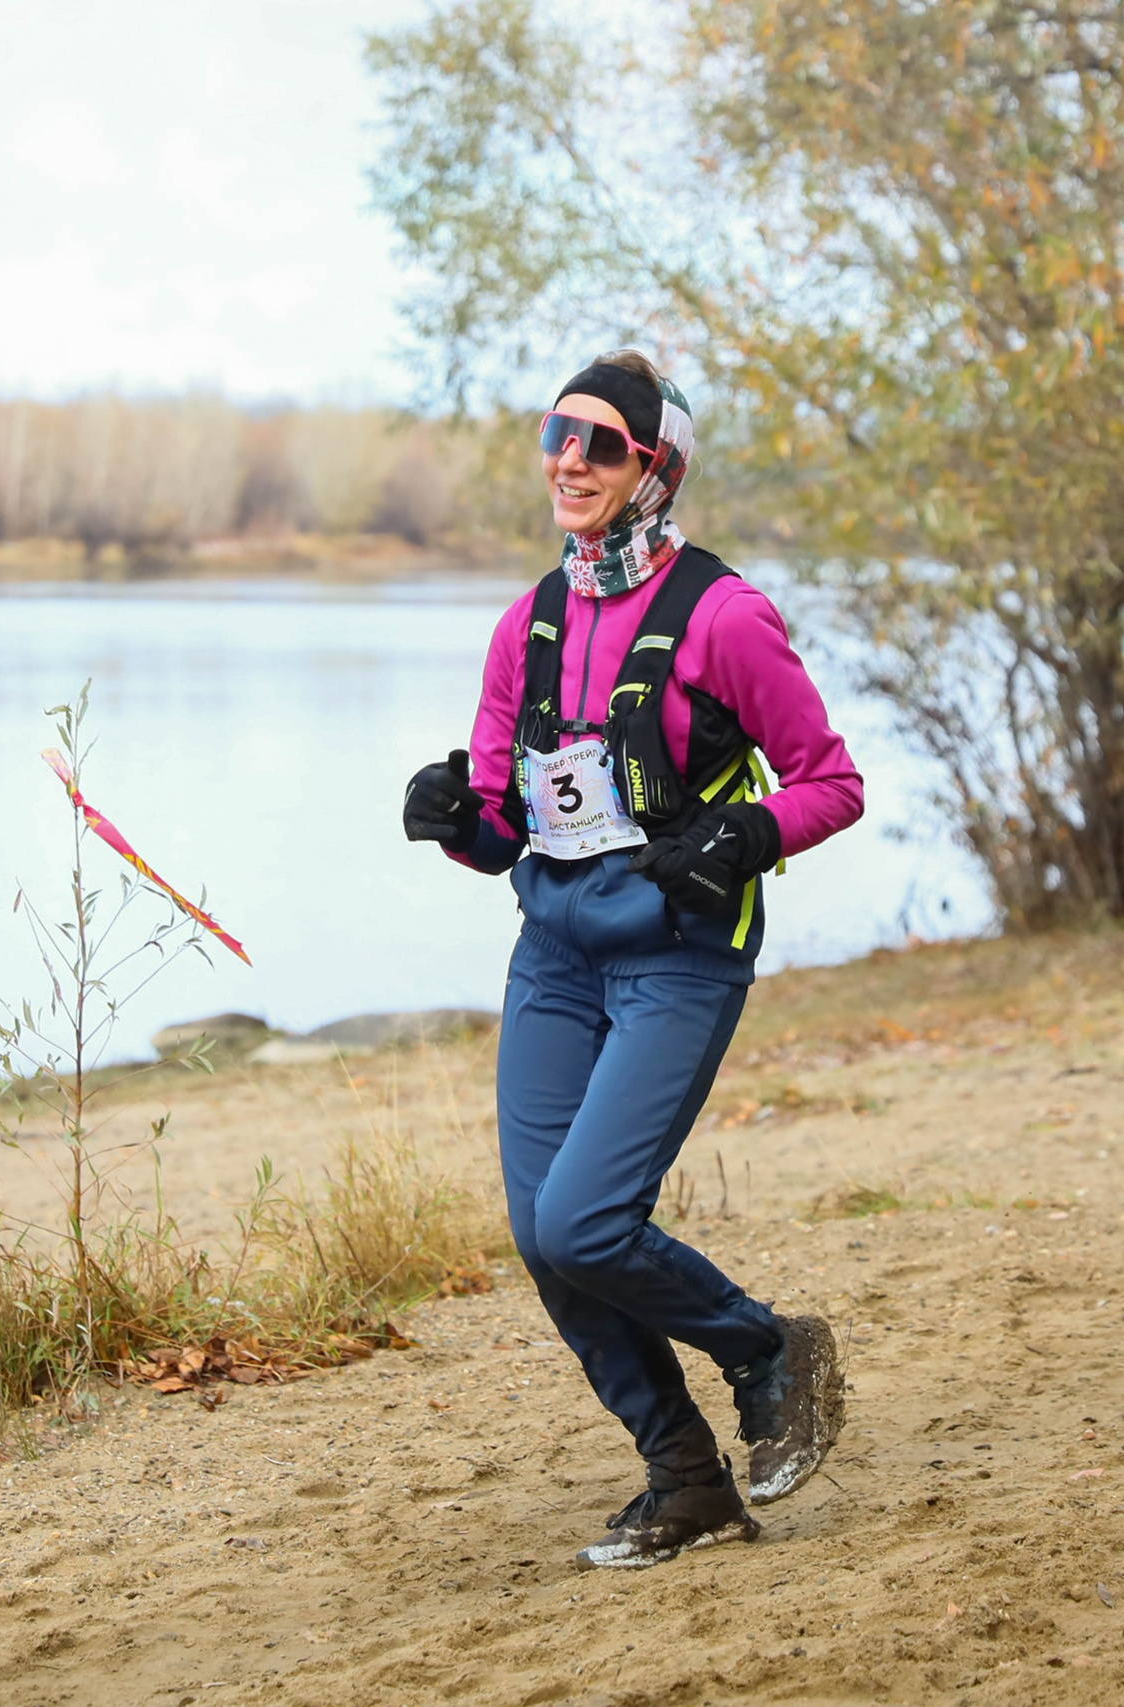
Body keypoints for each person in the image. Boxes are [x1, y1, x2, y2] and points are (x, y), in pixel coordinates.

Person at [400, 350, 865, 1569]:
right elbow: (502, 824)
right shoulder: (526, 625)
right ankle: (685, 1478)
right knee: (543, 1235)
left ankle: (765, 1349)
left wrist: (745, 834)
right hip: (554, 957)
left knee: (587, 1220)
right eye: (557, 432)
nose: (569, 460)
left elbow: (830, 783)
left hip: (678, 958)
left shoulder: (724, 616)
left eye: (600, 443)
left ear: (654, 469)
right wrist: (452, 819)